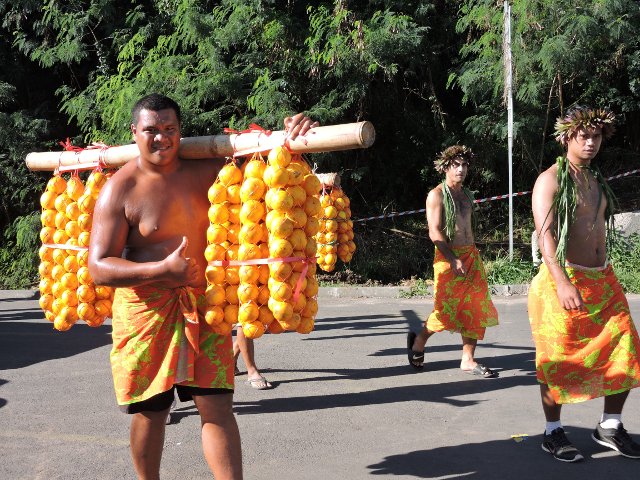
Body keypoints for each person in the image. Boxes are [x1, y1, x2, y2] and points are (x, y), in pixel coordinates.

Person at [89, 93, 317, 479]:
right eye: (151, 130)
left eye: (169, 129)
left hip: (208, 302)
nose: (161, 138)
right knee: (152, 409)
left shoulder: (211, 170)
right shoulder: (120, 188)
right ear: (134, 132)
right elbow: (99, 267)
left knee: (217, 406)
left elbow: (270, 168)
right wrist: (162, 270)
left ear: (180, 131)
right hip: (147, 309)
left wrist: (291, 135)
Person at [529, 105, 640, 462]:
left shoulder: (595, 178)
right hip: (564, 277)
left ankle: (610, 425)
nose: (591, 143)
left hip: (602, 279)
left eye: (596, 137)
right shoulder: (549, 180)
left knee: (626, 345)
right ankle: (552, 431)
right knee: (556, 357)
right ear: (567, 138)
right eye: (584, 136)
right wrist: (562, 282)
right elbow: (545, 234)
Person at [407, 145, 499, 377]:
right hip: (448, 257)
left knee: (475, 307)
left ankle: (468, 359)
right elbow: (434, 231)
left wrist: (470, 253)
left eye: (464, 165)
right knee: (445, 310)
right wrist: (453, 258)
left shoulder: (467, 194)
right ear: (445, 167)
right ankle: (419, 340)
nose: (461, 169)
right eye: (456, 165)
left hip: (471, 257)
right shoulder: (436, 195)